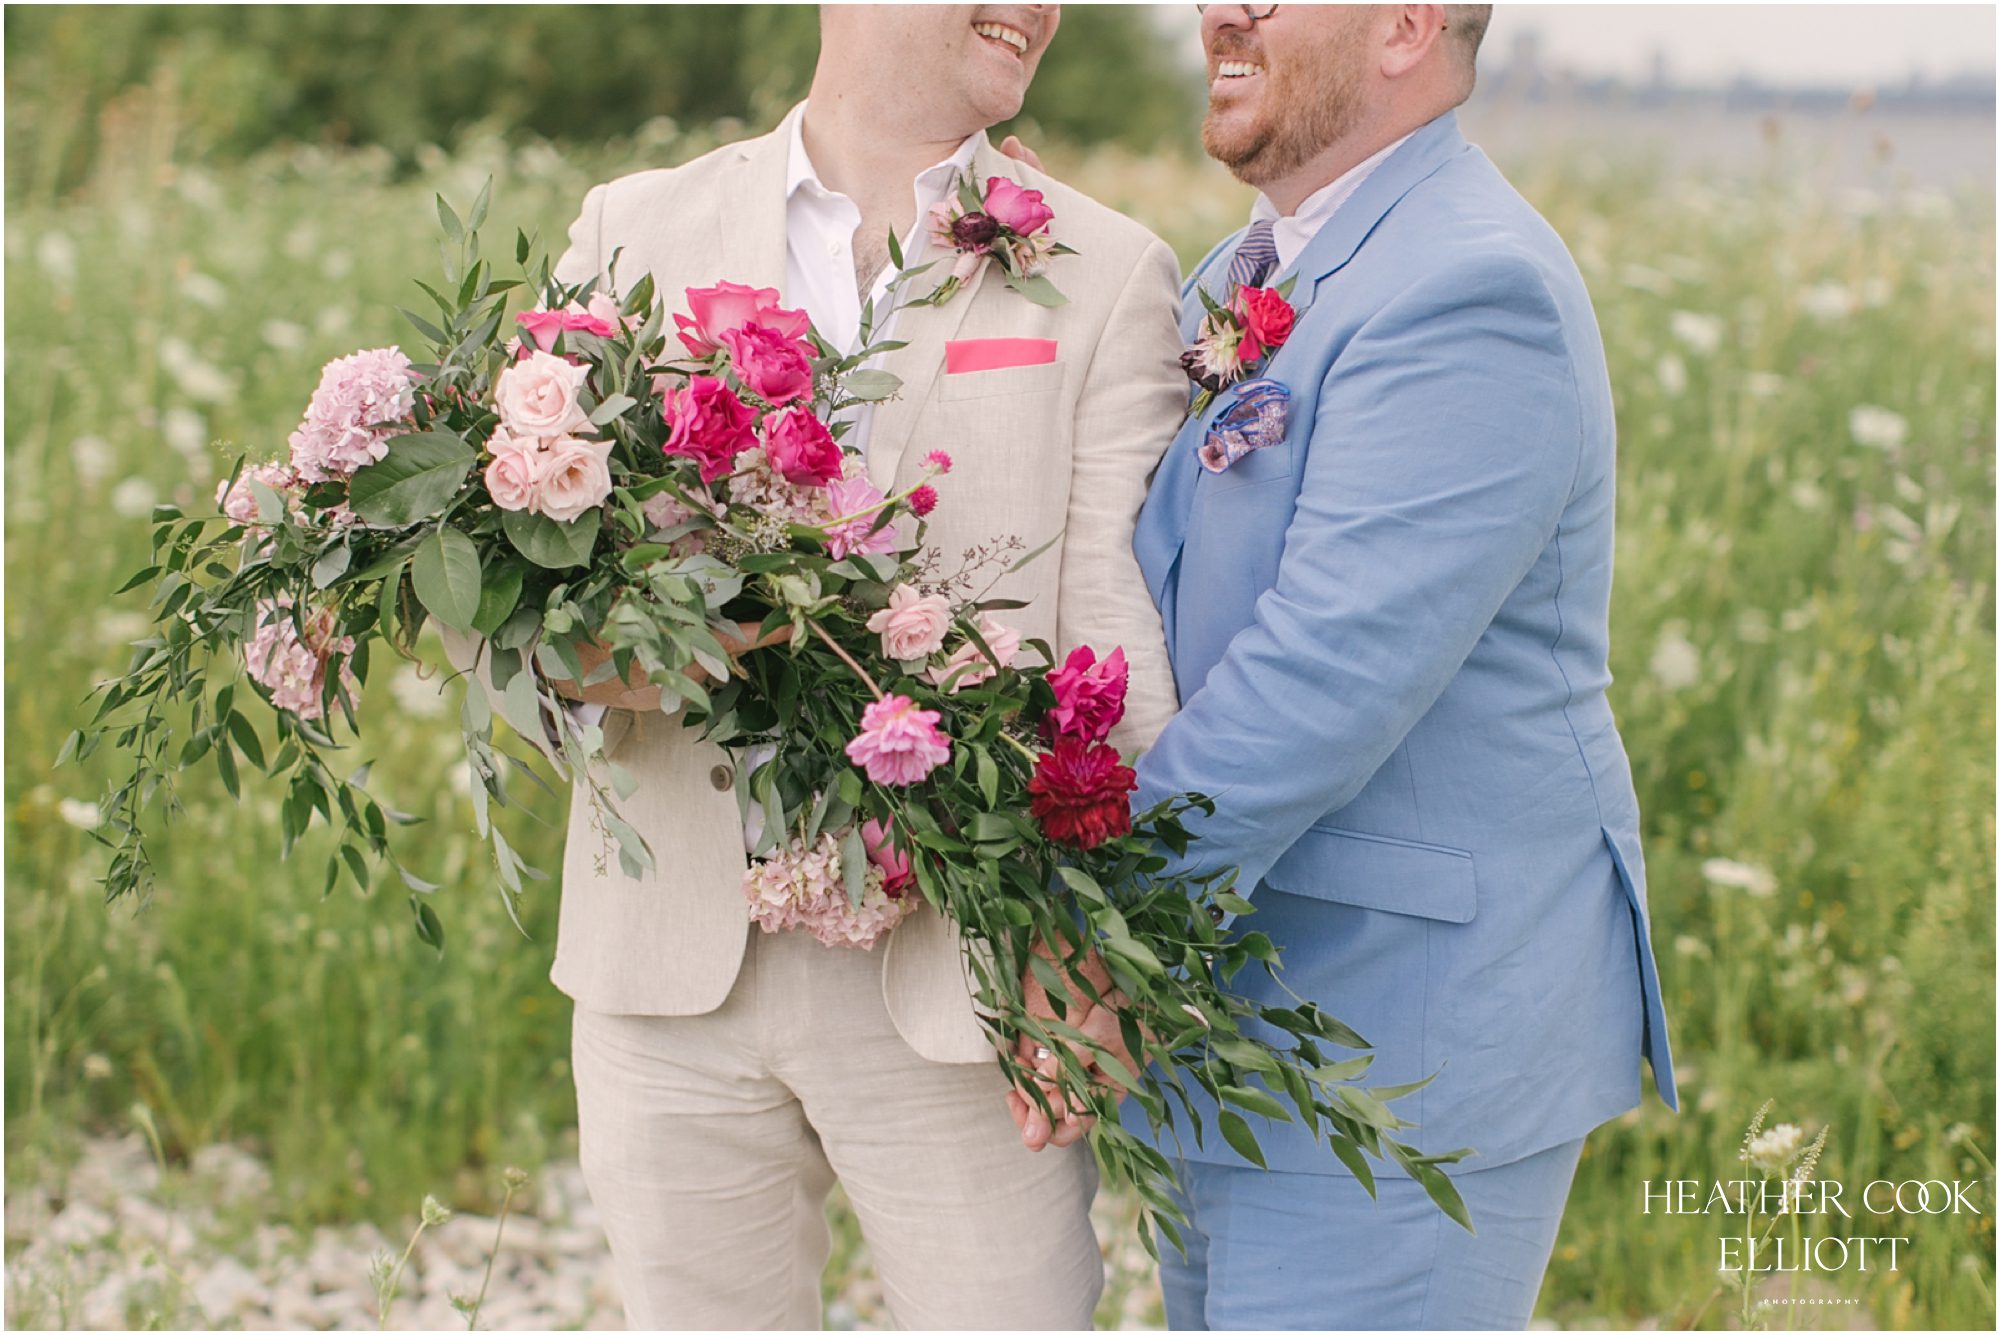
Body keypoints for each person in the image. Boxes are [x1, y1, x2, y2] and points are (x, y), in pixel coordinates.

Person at [442, 4, 1186, 1328]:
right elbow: (504, 551)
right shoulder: (631, 229)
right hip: (670, 971)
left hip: (966, 981)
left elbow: (1113, 640)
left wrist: (1093, 933)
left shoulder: (1110, 269)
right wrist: (584, 662)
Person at [1011, 5, 1679, 1328]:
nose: (1222, 11)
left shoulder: (1471, 289)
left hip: (1398, 1040)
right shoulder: (1251, 270)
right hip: (1231, 1016)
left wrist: (1105, 932)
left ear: (1406, 26)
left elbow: (1323, 673)